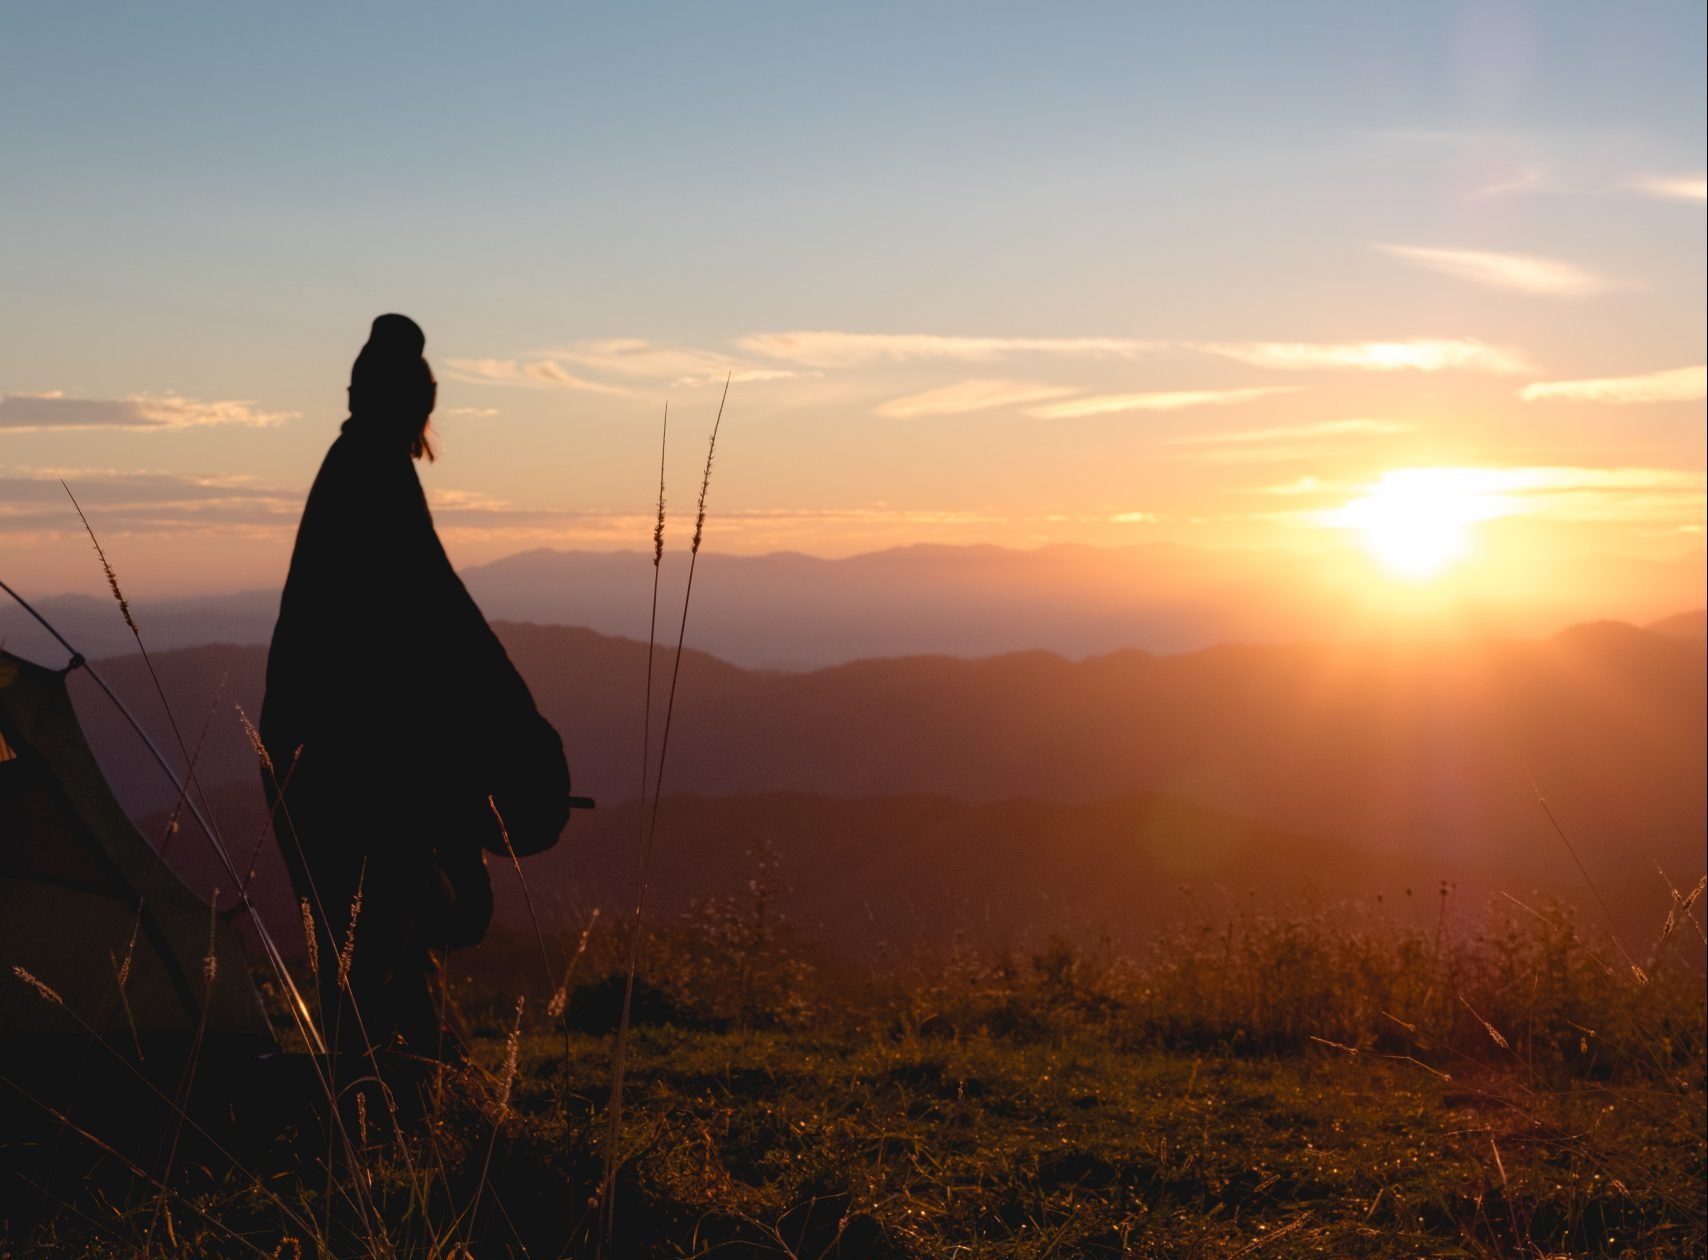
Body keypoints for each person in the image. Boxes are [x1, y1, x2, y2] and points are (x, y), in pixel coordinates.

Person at [260, 314, 570, 1062]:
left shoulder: (357, 466)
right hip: (352, 756)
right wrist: (510, 725)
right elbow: (435, 620)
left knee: (366, 942)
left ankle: (388, 1101)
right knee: (376, 939)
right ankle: (391, 1106)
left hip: (323, 746)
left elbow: (427, 620)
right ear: (414, 404)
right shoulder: (373, 473)